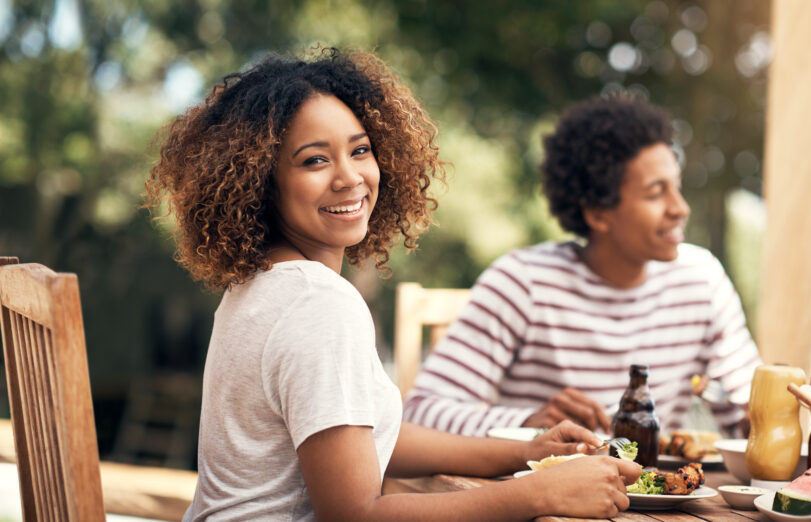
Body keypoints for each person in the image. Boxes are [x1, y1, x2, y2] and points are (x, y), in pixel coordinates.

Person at [146, 48, 640, 521]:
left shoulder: (262, 287)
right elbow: (355, 512)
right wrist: (534, 494)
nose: (349, 178)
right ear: (261, 182)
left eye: (360, 150)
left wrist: (524, 451)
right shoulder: (319, 304)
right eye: (314, 160)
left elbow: (365, 438)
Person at [403, 94, 761, 439]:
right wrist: (529, 422)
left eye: (677, 188)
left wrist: (764, 418)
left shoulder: (702, 281)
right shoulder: (523, 283)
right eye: (656, 193)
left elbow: (743, 417)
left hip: (656, 496)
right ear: (597, 212)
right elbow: (420, 413)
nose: (680, 208)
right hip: (543, 493)